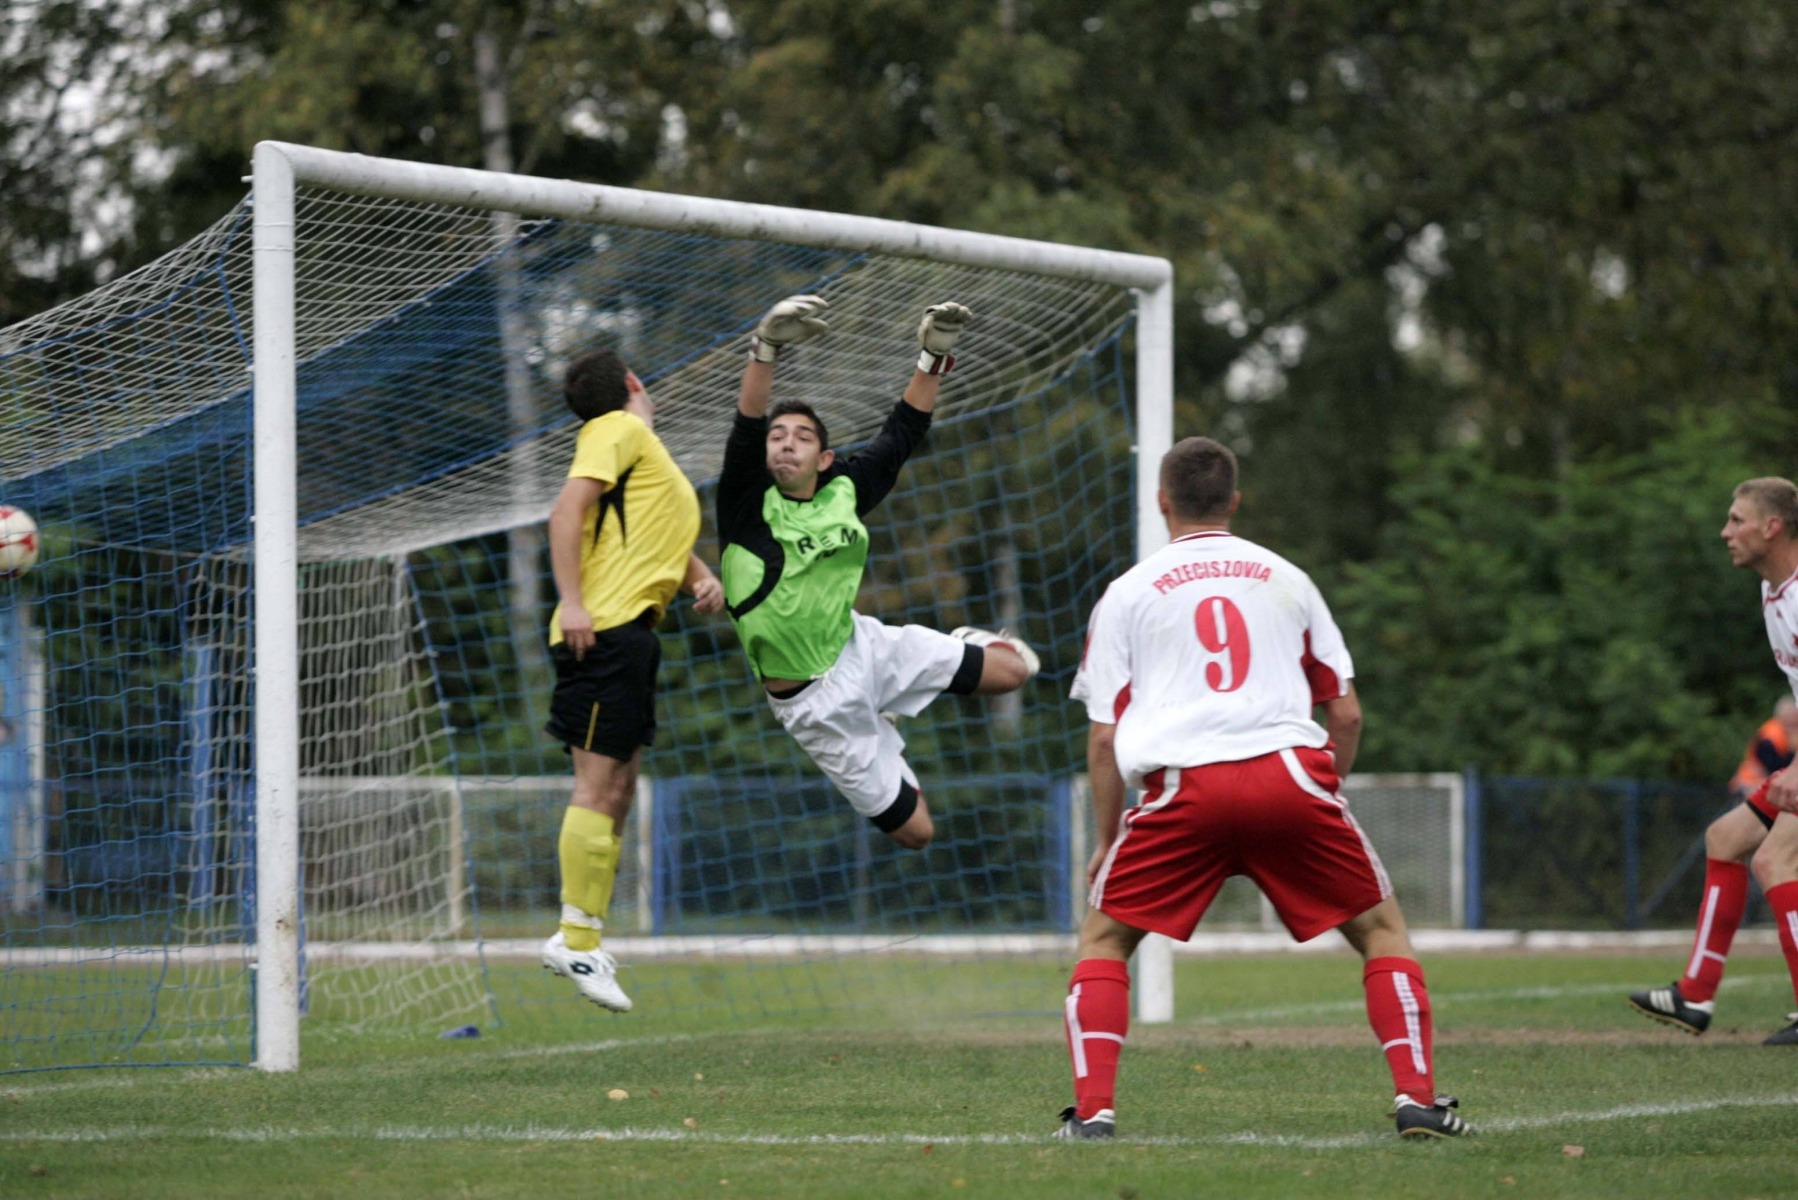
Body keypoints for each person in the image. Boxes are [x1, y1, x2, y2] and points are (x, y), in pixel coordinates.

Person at [1055, 436, 1469, 1141]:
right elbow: (1346, 711)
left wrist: (1106, 840)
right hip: (1288, 775)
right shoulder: (1287, 578)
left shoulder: (1125, 594)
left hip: (1184, 788)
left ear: (1163, 503)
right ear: (1234, 502)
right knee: (1379, 931)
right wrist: (1322, 790)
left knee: (1103, 940)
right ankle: (1417, 1100)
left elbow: (1102, 737)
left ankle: (1094, 1114)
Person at [715, 294, 1039, 849]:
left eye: (802, 437)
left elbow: (902, 433)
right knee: (918, 832)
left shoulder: (844, 488)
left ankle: (952, 649)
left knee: (1014, 672)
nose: (786, 442)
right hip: (815, 704)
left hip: (862, 648)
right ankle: (883, 725)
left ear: (824, 458)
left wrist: (932, 357)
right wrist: (765, 348)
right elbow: (747, 422)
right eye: (778, 436)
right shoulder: (745, 507)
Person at [538, 349, 724, 1012]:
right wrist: (575, 601)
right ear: (635, 385)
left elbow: (653, 536)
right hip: (605, 633)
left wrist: (697, 575)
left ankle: (583, 937)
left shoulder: (639, 448)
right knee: (596, 788)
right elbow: (565, 514)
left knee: (618, 789)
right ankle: (575, 941)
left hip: (633, 635)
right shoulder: (621, 429)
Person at [1628, 477, 1798, 1046]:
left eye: (1735, 520)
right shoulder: (1774, 590)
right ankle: (1694, 995)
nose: (1725, 532)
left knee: (1776, 861)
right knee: (1726, 837)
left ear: (1771, 527)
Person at [1727, 697, 1798, 803]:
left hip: (1764, 785)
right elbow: (1776, 768)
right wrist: (1792, 751)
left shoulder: (1786, 734)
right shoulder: (1769, 737)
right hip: (1749, 785)